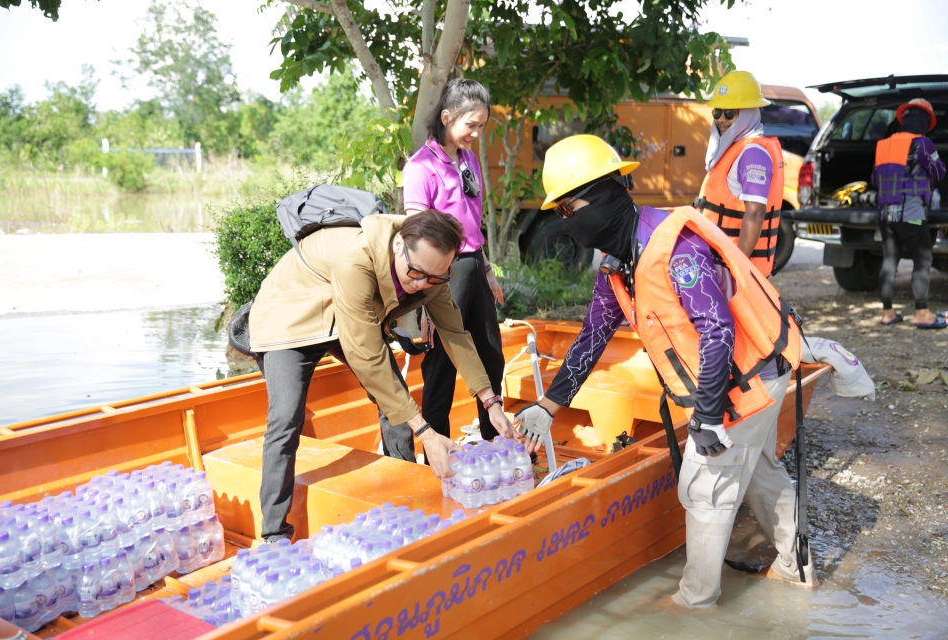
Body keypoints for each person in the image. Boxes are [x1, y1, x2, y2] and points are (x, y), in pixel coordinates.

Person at [512, 134, 814, 608]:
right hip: (738, 374)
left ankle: (694, 606)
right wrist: (549, 406)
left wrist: (710, 415)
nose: (565, 223)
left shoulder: (674, 248)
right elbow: (592, 337)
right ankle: (797, 573)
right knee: (757, 472)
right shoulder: (619, 263)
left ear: (606, 196)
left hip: (746, 378)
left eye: (568, 210)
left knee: (704, 487)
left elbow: (717, 331)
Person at [247, 210, 517, 542]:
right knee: (286, 418)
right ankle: (274, 532)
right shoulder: (355, 260)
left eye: (435, 278)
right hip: (291, 316)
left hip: (351, 313)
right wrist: (428, 434)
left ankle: (404, 499)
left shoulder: (432, 275)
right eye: (416, 273)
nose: (421, 284)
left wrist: (491, 402)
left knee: (397, 405)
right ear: (399, 244)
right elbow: (367, 356)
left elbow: (455, 334)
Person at [403, 79, 507, 442]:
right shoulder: (421, 167)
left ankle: (494, 441)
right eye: (470, 125)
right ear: (447, 117)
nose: (476, 133)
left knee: (491, 356)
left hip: (474, 265)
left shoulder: (469, 160)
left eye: (481, 126)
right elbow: (415, 236)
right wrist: (425, 289)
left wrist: (487, 269)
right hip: (442, 275)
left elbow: (472, 221)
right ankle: (438, 449)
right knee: (442, 366)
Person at [694, 70, 785, 277]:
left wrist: (738, 269)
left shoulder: (753, 153)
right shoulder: (734, 149)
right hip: (717, 261)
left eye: (730, 113)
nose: (721, 120)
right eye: (717, 112)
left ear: (748, 113)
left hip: (732, 266)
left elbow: (755, 213)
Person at [873, 98, 946, 329]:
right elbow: (940, 172)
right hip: (911, 213)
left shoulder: (882, 145)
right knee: (923, 260)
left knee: (889, 262)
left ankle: (887, 313)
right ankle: (922, 313)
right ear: (925, 121)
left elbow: (875, 180)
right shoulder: (922, 144)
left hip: (885, 215)